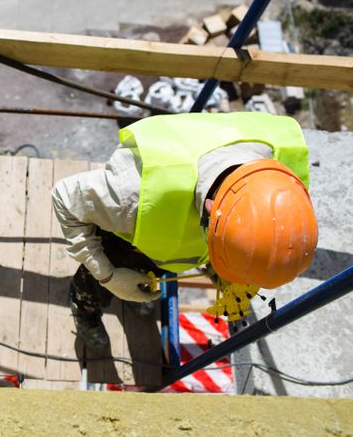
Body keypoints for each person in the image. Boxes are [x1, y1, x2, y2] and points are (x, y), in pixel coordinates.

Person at [51, 112, 318, 348]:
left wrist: (226, 264)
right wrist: (108, 276)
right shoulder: (130, 191)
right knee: (93, 284)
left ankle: (139, 290)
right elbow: (64, 197)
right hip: (134, 229)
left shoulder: (283, 180)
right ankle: (86, 311)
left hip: (169, 237)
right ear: (212, 209)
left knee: (159, 262)